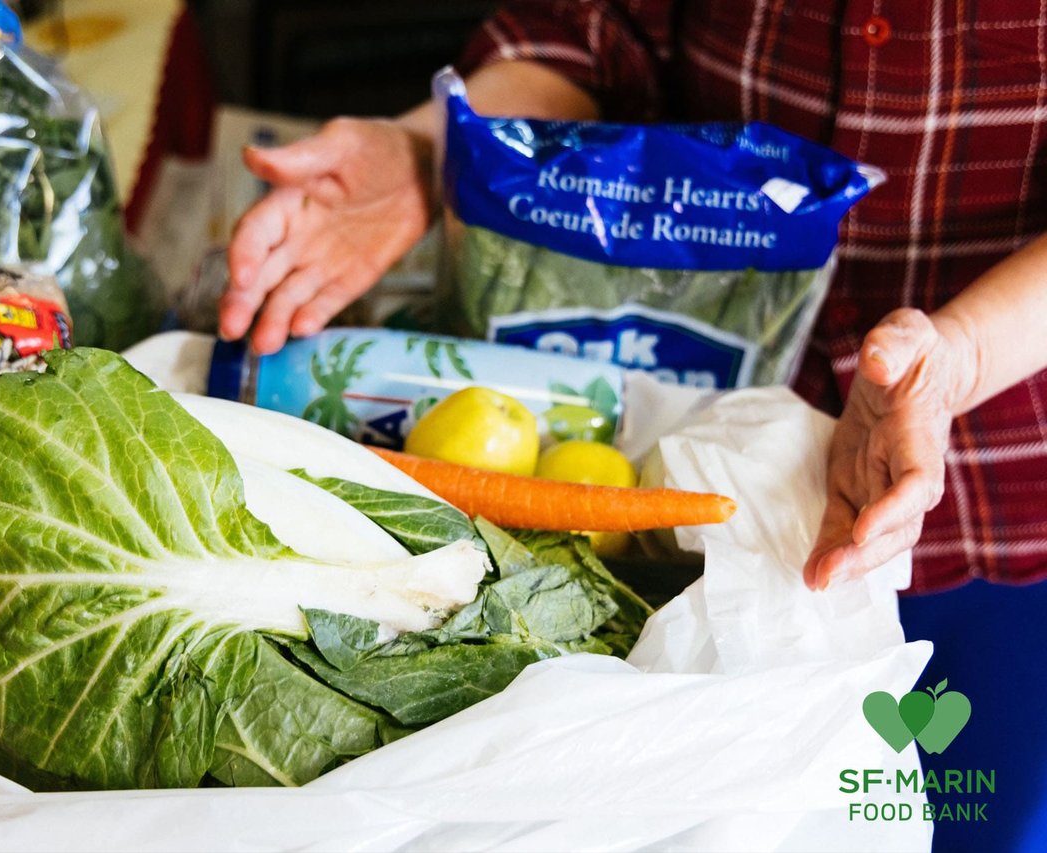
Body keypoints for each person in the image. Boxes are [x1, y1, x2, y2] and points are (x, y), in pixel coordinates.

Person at [219, 4, 1047, 849]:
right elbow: (596, 26)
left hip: (1006, 500)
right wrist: (445, 154)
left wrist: (964, 354)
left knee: (975, 810)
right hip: (691, 463)